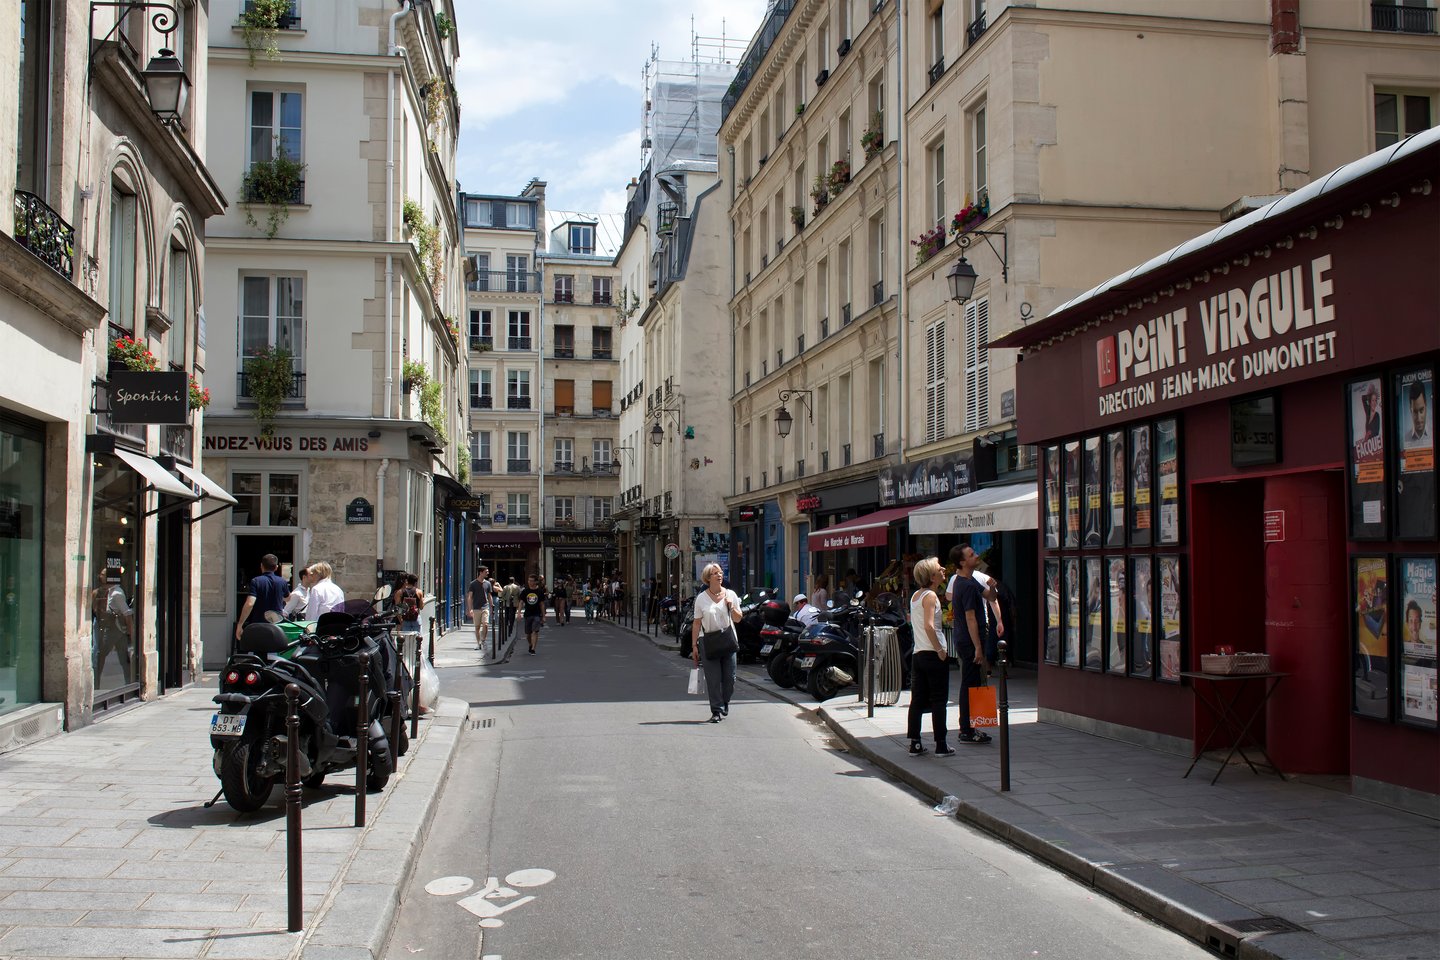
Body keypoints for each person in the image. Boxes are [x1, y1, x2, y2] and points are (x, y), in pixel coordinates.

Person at [906, 557, 953, 756]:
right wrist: (941, 650)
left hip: (918, 655)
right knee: (939, 700)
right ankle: (941, 744)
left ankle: (915, 743)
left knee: (917, 699)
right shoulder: (931, 596)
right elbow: (928, 625)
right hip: (933, 654)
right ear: (932, 576)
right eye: (938, 568)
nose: (943, 569)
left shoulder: (915, 596)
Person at [947, 543, 992, 744]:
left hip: (969, 639)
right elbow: (970, 617)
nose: (977, 556)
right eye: (972, 555)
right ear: (963, 562)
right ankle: (966, 729)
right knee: (969, 684)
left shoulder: (970, 580)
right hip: (969, 641)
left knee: (974, 683)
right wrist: (978, 648)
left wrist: (993, 584)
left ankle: (973, 726)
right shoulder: (964, 585)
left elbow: (990, 596)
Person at [691, 563, 741, 723]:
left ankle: (725, 701)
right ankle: (716, 711)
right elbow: (697, 623)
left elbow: (738, 618)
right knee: (713, 679)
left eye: (720, 573)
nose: (719, 575)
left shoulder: (730, 595)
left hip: (727, 640)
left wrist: (731, 607)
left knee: (730, 679)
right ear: (708, 578)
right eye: (715, 573)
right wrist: (694, 646)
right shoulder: (701, 598)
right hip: (708, 641)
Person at [235, 554, 289, 644]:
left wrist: (240, 624)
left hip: (259, 625)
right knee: (275, 653)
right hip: (277, 625)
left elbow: (250, 603)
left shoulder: (256, 581)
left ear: (261, 566)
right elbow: (287, 598)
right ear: (276, 567)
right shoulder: (282, 581)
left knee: (258, 652)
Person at [520, 574, 547, 655]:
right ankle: (530, 644)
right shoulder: (525, 591)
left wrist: (543, 615)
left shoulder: (540, 592)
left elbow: (542, 604)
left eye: (531, 581)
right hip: (527, 614)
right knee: (528, 634)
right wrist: (518, 613)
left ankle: (533, 649)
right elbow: (521, 602)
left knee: (535, 631)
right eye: (529, 580)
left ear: (536, 582)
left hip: (537, 614)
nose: (529, 582)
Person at [467, 567, 492, 649]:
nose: (487, 573)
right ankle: (479, 644)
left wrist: (491, 606)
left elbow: (489, 595)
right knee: (477, 627)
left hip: (485, 607)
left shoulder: (488, 583)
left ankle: (483, 640)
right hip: (476, 608)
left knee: (485, 624)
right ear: (480, 572)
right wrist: (470, 609)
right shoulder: (473, 584)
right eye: (486, 572)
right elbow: (470, 597)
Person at [1405, 380, 1431, 445]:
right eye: (1415, 412)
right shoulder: (1405, 439)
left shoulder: (1433, 434)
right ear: (1410, 410)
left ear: (1426, 405)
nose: (1419, 419)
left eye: (1421, 410)